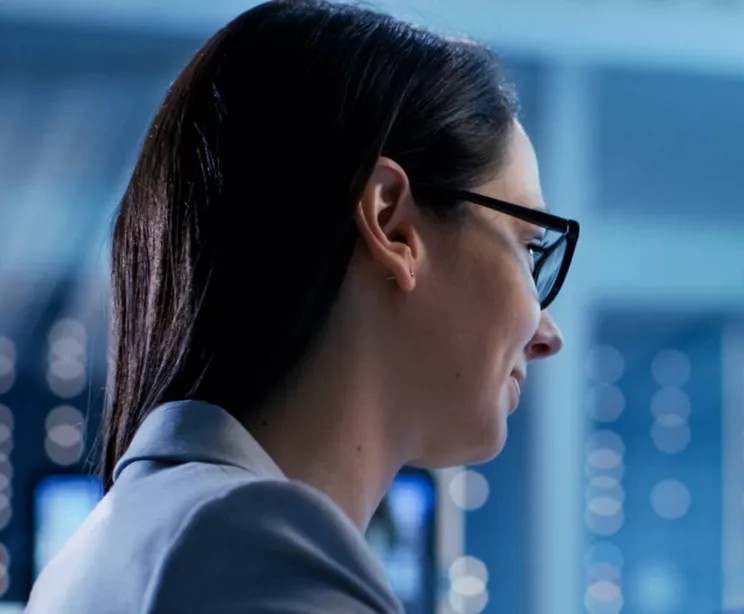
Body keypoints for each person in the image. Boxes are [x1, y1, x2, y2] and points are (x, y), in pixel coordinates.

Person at [27, 1, 571, 611]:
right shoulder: (256, 558)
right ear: (392, 222)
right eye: (527, 248)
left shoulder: (100, 551)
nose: (548, 334)